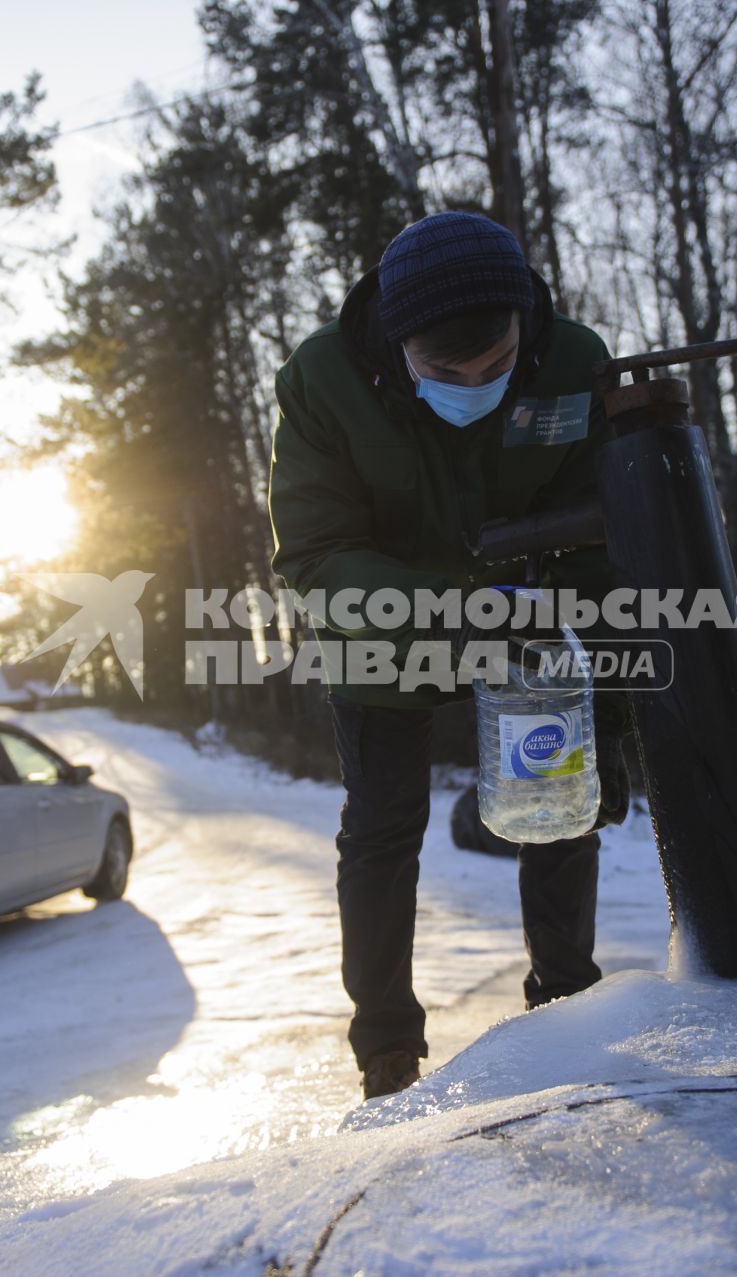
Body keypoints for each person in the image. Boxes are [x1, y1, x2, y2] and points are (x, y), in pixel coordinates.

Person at [269, 211, 629, 1100]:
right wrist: (459, 612)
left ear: (524, 326)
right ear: (399, 347)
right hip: (385, 630)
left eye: (496, 365)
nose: (476, 384)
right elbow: (315, 556)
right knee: (385, 827)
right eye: (446, 372)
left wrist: (604, 706)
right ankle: (386, 1046)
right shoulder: (324, 379)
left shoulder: (574, 361)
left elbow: (610, 535)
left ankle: (565, 1004)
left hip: (534, 621)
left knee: (560, 806)